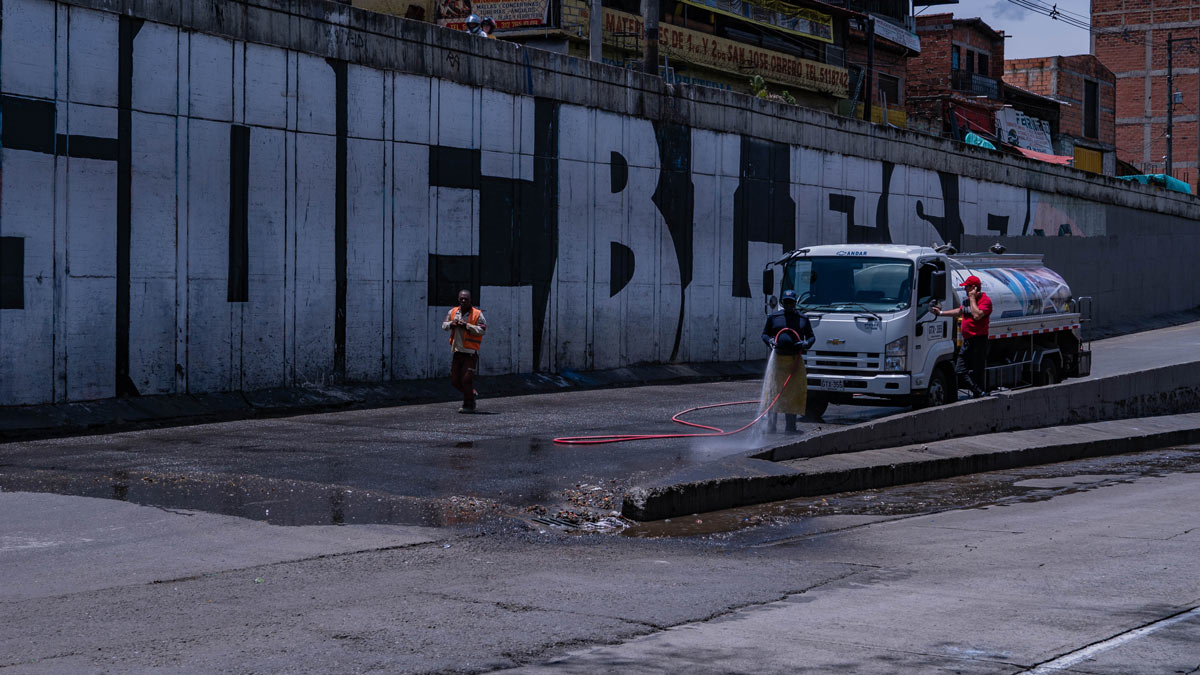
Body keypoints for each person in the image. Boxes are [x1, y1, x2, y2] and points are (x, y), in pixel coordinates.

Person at [760, 289, 816, 432]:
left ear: (795, 303)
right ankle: (771, 426)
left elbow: (811, 337)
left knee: (792, 394)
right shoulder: (774, 317)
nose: (789, 305)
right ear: (782, 303)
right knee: (773, 392)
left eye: (791, 302)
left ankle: (790, 427)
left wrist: (806, 344)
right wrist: (770, 341)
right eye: (786, 302)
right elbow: (764, 334)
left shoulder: (803, 319)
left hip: (795, 361)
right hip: (778, 360)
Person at [932, 274, 993, 398]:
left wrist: (972, 299)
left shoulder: (985, 301)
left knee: (977, 371)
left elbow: (977, 315)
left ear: (974, 288)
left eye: (967, 287)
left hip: (979, 341)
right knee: (959, 370)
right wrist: (941, 313)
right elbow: (959, 311)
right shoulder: (966, 301)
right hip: (967, 341)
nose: (965, 289)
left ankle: (980, 394)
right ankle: (978, 391)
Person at [442, 290, 487, 413]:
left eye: (465, 299)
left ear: (470, 300)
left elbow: (482, 330)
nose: (463, 301)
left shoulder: (477, 314)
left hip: (470, 353)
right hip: (457, 352)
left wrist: (467, 326)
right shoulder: (453, 312)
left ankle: (469, 404)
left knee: (466, 380)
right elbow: (444, 325)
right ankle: (470, 393)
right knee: (454, 381)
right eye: (461, 298)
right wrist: (452, 323)